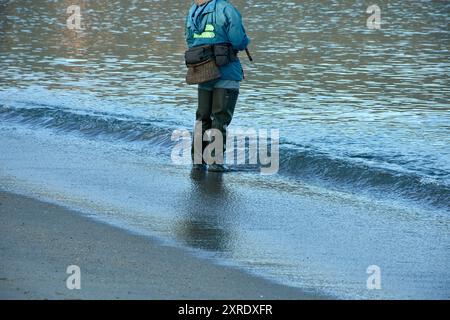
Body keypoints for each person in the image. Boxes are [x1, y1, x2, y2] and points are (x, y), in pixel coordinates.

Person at [185, 0, 250, 172]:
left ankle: (198, 161)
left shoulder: (193, 10)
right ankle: (215, 163)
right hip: (226, 71)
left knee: (202, 117)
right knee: (220, 118)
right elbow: (238, 41)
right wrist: (246, 40)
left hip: (203, 71)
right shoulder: (226, 8)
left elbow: (190, 40)